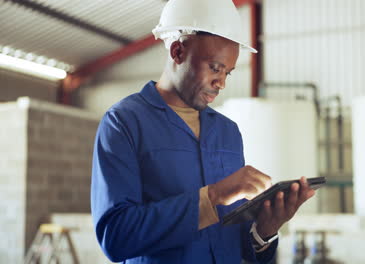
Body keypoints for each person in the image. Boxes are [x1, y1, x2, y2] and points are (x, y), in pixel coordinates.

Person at [91, 0, 316, 263]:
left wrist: (266, 229)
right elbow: (115, 237)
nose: (221, 83)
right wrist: (213, 196)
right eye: (215, 67)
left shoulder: (228, 131)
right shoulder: (124, 122)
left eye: (228, 73)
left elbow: (238, 243)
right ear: (177, 51)